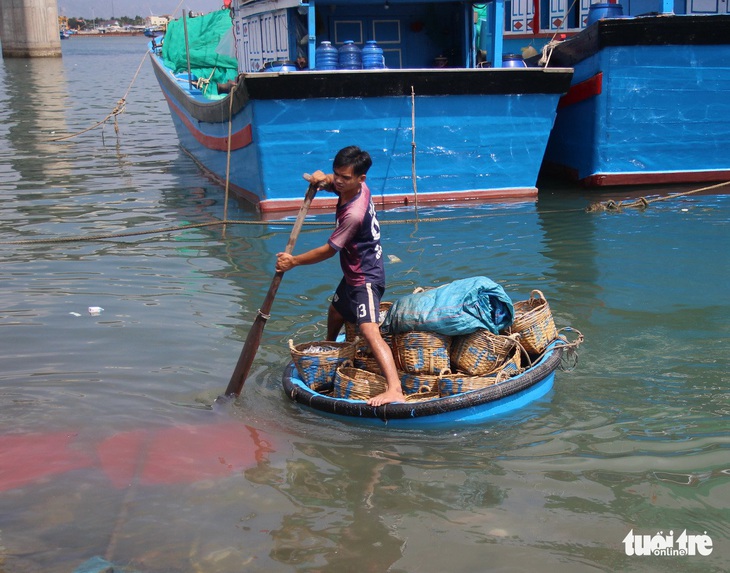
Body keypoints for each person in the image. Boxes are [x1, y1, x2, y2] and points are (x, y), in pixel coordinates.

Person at [275, 146, 404, 406]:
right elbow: (335, 183)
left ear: (361, 180)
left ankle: (395, 388)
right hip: (352, 273)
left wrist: (294, 261)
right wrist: (321, 181)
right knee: (336, 311)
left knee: (369, 330)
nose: (340, 181)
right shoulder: (351, 187)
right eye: (337, 174)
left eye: (345, 177)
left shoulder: (354, 214)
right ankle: (329, 351)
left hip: (366, 277)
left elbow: (328, 251)